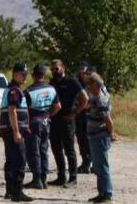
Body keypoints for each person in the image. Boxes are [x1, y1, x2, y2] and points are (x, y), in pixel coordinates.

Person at [48, 59, 88, 188]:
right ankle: (61, 177)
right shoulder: (52, 82)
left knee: (69, 149)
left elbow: (85, 98)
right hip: (54, 120)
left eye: (57, 68)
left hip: (67, 120)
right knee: (56, 148)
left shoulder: (71, 81)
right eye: (52, 69)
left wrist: (74, 113)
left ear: (63, 68)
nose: (55, 71)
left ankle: (73, 178)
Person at [0, 62, 33, 202]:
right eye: (22, 74)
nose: (25, 76)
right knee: (19, 160)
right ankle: (17, 192)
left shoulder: (15, 89)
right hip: (13, 131)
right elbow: (12, 111)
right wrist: (16, 131)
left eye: (26, 74)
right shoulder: (14, 90)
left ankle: (10, 191)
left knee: (11, 160)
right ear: (15, 74)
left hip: (10, 130)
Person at [24, 64, 61, 189]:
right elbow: (58, 106)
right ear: (44, 75)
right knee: (44, 150)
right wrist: (48, 115)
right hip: (46, 122)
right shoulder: (51, 89)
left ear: (33, 75)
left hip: (33, 123)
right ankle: (44, 179)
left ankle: (37, 179)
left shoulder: (28, 91)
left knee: (33, 151)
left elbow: (25, 111)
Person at [84, 72, 115, 204]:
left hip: (100, 135)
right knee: (97, 166)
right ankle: (101, 193)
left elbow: (108, 120)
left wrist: (110, 134)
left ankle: (107, 194)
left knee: (102, 166)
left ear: (96, 85)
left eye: (89, 84)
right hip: (93, 135)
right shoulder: (95, 96)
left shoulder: (100, 99)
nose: (88, 87)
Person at [74, 62, 94, 173]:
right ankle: (85, 162)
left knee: (88, 139)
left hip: (88, 114)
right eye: (81, 70)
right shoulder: (77, 82)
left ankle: (90, 163)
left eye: (85, 71)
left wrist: (83, 106)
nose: (83, 73)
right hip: (79, 114)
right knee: (81, 139)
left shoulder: (91, 83)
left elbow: (93, 102)